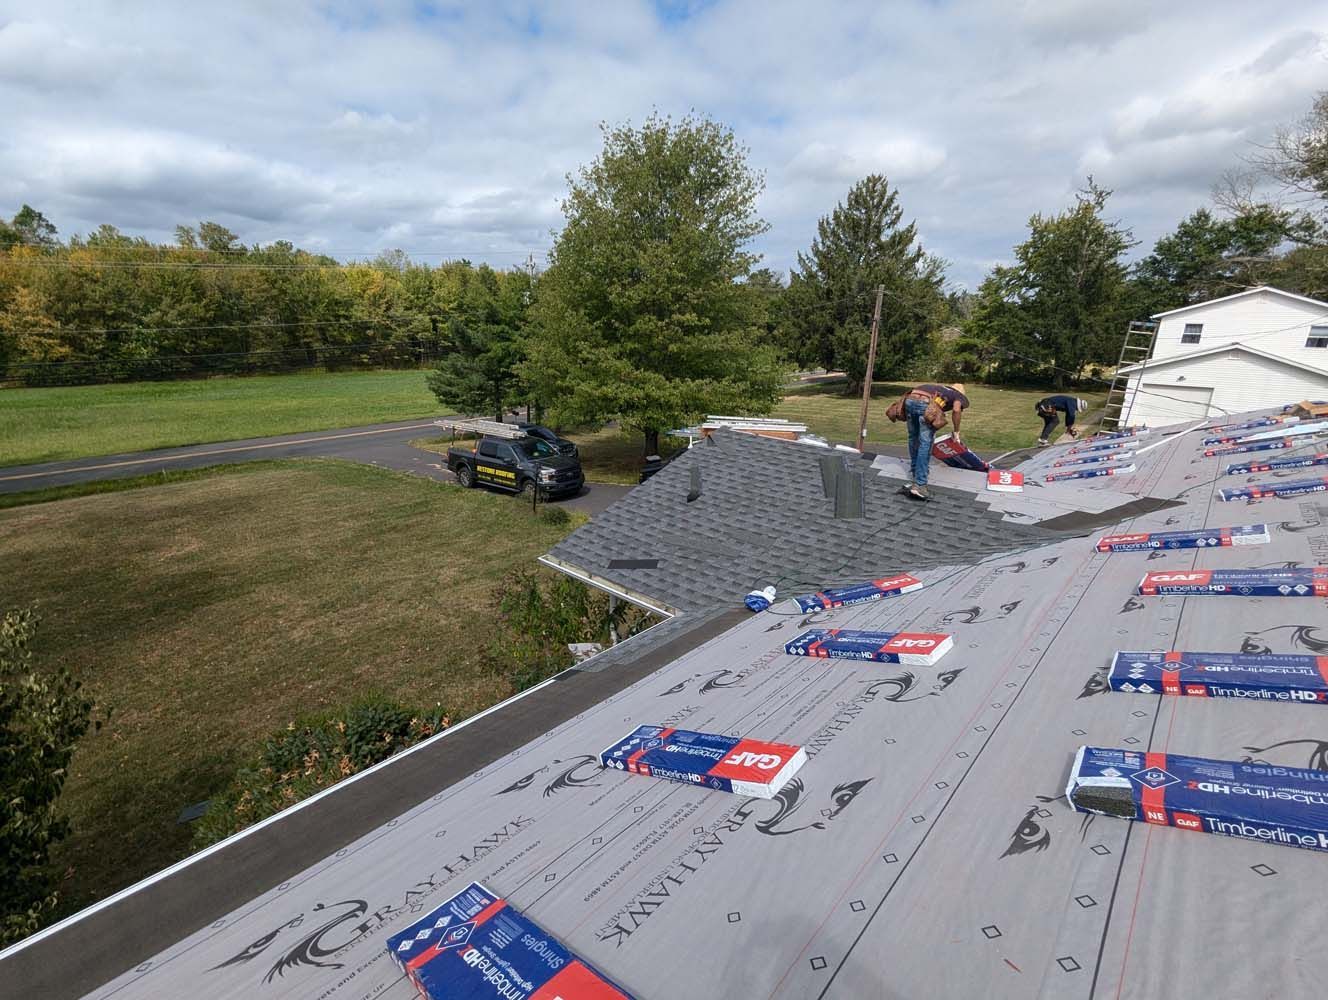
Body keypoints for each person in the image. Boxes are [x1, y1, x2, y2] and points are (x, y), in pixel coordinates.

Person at [887, 382, 969, 501]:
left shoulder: (940, 388)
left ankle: (916, 473)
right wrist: (956, 431)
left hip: (909, 401)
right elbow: (956, 410)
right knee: (925, 443)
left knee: (913, 438)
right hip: (924, 405)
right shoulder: (958, 396)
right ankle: (920, 485)